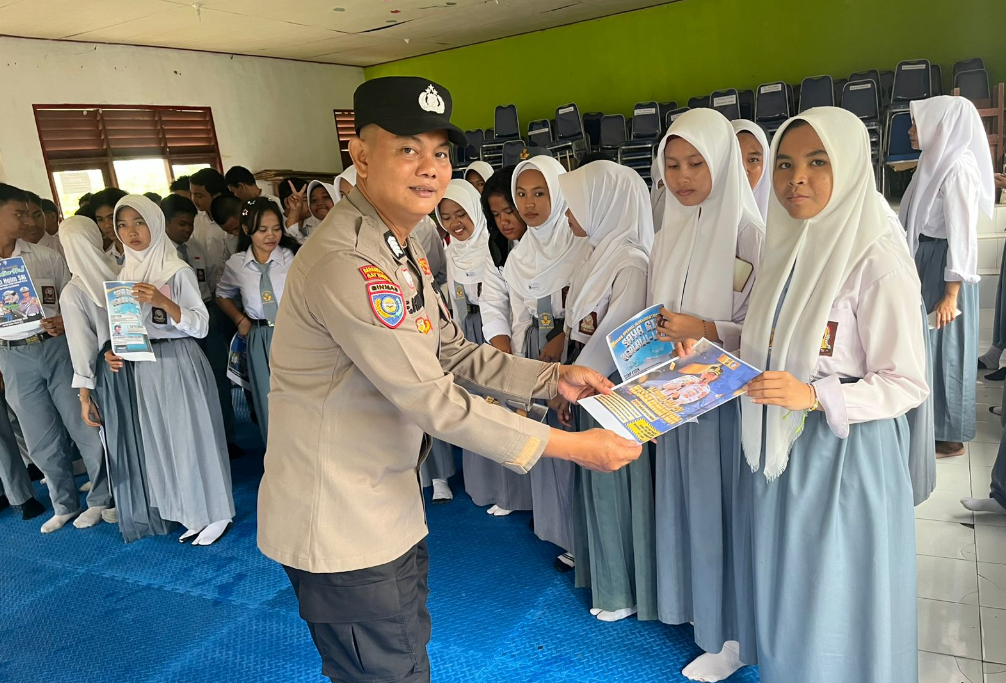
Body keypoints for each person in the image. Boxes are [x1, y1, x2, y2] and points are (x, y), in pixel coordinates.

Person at [256, 76, 641, 683]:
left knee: (406, 655)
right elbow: (432, 398)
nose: (430, 168)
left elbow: (452, 351)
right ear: (360, 157)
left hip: (383, 497)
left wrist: (554, 377)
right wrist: (571, 447)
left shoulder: (398, 244)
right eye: (408, 149)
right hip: (340, 515)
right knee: (387, 671)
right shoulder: (348, 260)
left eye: (439, 152)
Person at [740, 108, 928, 683]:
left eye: (817, 162)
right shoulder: (789, 246)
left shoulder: (876, 258)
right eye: (785, 164)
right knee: (794, 585)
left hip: (845, 454)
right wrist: (711, 334)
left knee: (836, 592)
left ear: (847, 168)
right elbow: (775, 336)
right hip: (784, 446)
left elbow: (905, 381)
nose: (796, 178)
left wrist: (815, 397)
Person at [647, 108, 765, 681]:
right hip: (675, 395)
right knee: (686, 504)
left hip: (724, 400)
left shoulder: (749, 233)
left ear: (722, 162)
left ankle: (733, 635)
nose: (683, 177)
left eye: (696, 163)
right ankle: (699, 609)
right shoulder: (670, 229)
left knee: (723, 513)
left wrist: (704, 328)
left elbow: (765, 329)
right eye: (671, 165)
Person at [557, 160, 657, 623]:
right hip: (586, 381)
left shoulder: (631, 262)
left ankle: (622, 591)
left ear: (605, 204)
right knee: (593, 479)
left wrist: (573, 384)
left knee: (612, 485)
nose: (568, 215)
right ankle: (602, 575)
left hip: (609, 386)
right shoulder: (596, 253)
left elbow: (615, 337)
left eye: (575, 205)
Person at [106, 195, 234, 545]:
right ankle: (190, 511)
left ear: (155, 224)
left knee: (193, 437)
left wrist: (163, 302)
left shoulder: (176, 270)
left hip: (179, 359)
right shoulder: (125, 274)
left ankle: (217, 512)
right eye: (122, 225)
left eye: (139, 222)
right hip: (145, 365)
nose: (131, 232)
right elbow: (126, 327)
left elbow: (201, 325)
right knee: (164, 440)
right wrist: (116, 351)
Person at [0, 184, 110, 533]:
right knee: (38, 437)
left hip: (56, 347)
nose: (29, 221)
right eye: (19, 214)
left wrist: (63, 321)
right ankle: (64, 504)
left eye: (30, 213)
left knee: (84, 424)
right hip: (12, 355)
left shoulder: (45, 256)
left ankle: (101, 498)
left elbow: (73, 299)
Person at [60, 215, 172, 541]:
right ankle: (166, 502)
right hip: (140, 361)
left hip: (108, 372)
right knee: (151, 433)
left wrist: (84, 396)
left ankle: (137, 510)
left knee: (121, 440)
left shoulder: (74, 291)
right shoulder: (122, 272)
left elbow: (82, 350)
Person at [505, 155, 589, 570]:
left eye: (540, 193)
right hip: (537, 350)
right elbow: (518, 317)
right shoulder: (518, 257)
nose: (529, 204)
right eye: (521, 194)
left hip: (575, 349)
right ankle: (557, 528)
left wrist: (562, 336)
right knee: (547, 440)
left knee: (574, 440)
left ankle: (581, 538)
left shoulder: (581, 244)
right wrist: (519, 372)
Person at [900, 96, 994, 458]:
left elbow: (962, 235)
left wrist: (950, 295)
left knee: (947, 350)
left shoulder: (957, 168)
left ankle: (950, 435)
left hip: (947, 268)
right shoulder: (932, 161)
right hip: (928, 260)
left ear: (940, 125)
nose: (911, 130)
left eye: (917, 123)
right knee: (927, 347)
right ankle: (930, 425)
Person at [462, 166, 535, 515]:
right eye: (496, 214)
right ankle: (519, 497)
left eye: (509, 211)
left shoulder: (550, 241)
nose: (504, 221)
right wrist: (502, 350)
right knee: (511, 421)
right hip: (511, 345)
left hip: (542, 343)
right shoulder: (499, 247)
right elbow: (492, 301)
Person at [426, 180, 491, 503]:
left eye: (461, 214)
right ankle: (483, 485)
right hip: (464, 332)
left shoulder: (492, 246)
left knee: (496, 407)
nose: (455, 223)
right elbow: (452, 297)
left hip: (492, 332)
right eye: (447, 217)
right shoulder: (452, 251)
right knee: (472, 409)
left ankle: (507, 489)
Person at [216, 199, 298, 444]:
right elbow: (222, 295)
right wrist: (239, 319)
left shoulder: (293, 256)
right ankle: (277, 455)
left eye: (276, 228)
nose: (271, 235)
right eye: (262, 229)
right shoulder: (237, 264)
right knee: (266, 398)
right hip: (258, 338)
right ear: (246, 229)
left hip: (293, 334)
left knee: (299, 396)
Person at [731, 119, 772, 220]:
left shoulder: (783, 216)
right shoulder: (701, 215)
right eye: (735, 158)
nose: (743, 171)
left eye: (753, 160)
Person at [90, 188, 128, 264]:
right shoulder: (105, 259)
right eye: (100, 219)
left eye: (111, 217)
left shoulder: (145, 252)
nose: (107, 225)